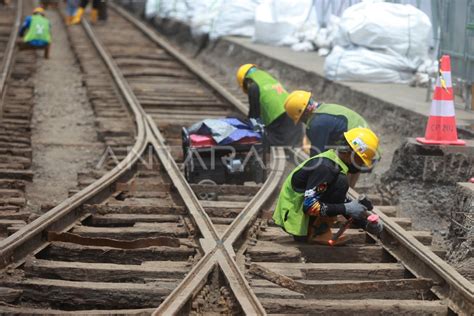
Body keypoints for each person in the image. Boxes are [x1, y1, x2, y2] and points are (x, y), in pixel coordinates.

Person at [272, 127, 383, 245]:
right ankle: (317, 233)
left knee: (341, 184)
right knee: (341, 182)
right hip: (294, 218)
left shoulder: (333, 162)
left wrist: (365, 222)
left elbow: (337, 200)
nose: (360, 164)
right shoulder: (326, 168)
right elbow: (309, 206)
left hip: (296, 212)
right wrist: (347, 208)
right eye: (359, 159)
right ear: (348, 152)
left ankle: (317, 231)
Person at [284, 90, 371, 187]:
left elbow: (317, 157)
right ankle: (349, 188)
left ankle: (346, 190)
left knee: (340, 159)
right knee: (340, 156)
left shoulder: (317, 123)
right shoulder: (323, 109)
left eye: (300, 119)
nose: (302, 122)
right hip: (367, 144)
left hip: (361, 149)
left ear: (304, 113)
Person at [236, 64, 302, 146]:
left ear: (245, 81)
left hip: (281, 128)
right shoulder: (268, 78)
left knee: (263, 136)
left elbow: (253, 118)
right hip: (297, 124)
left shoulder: (253, 86)